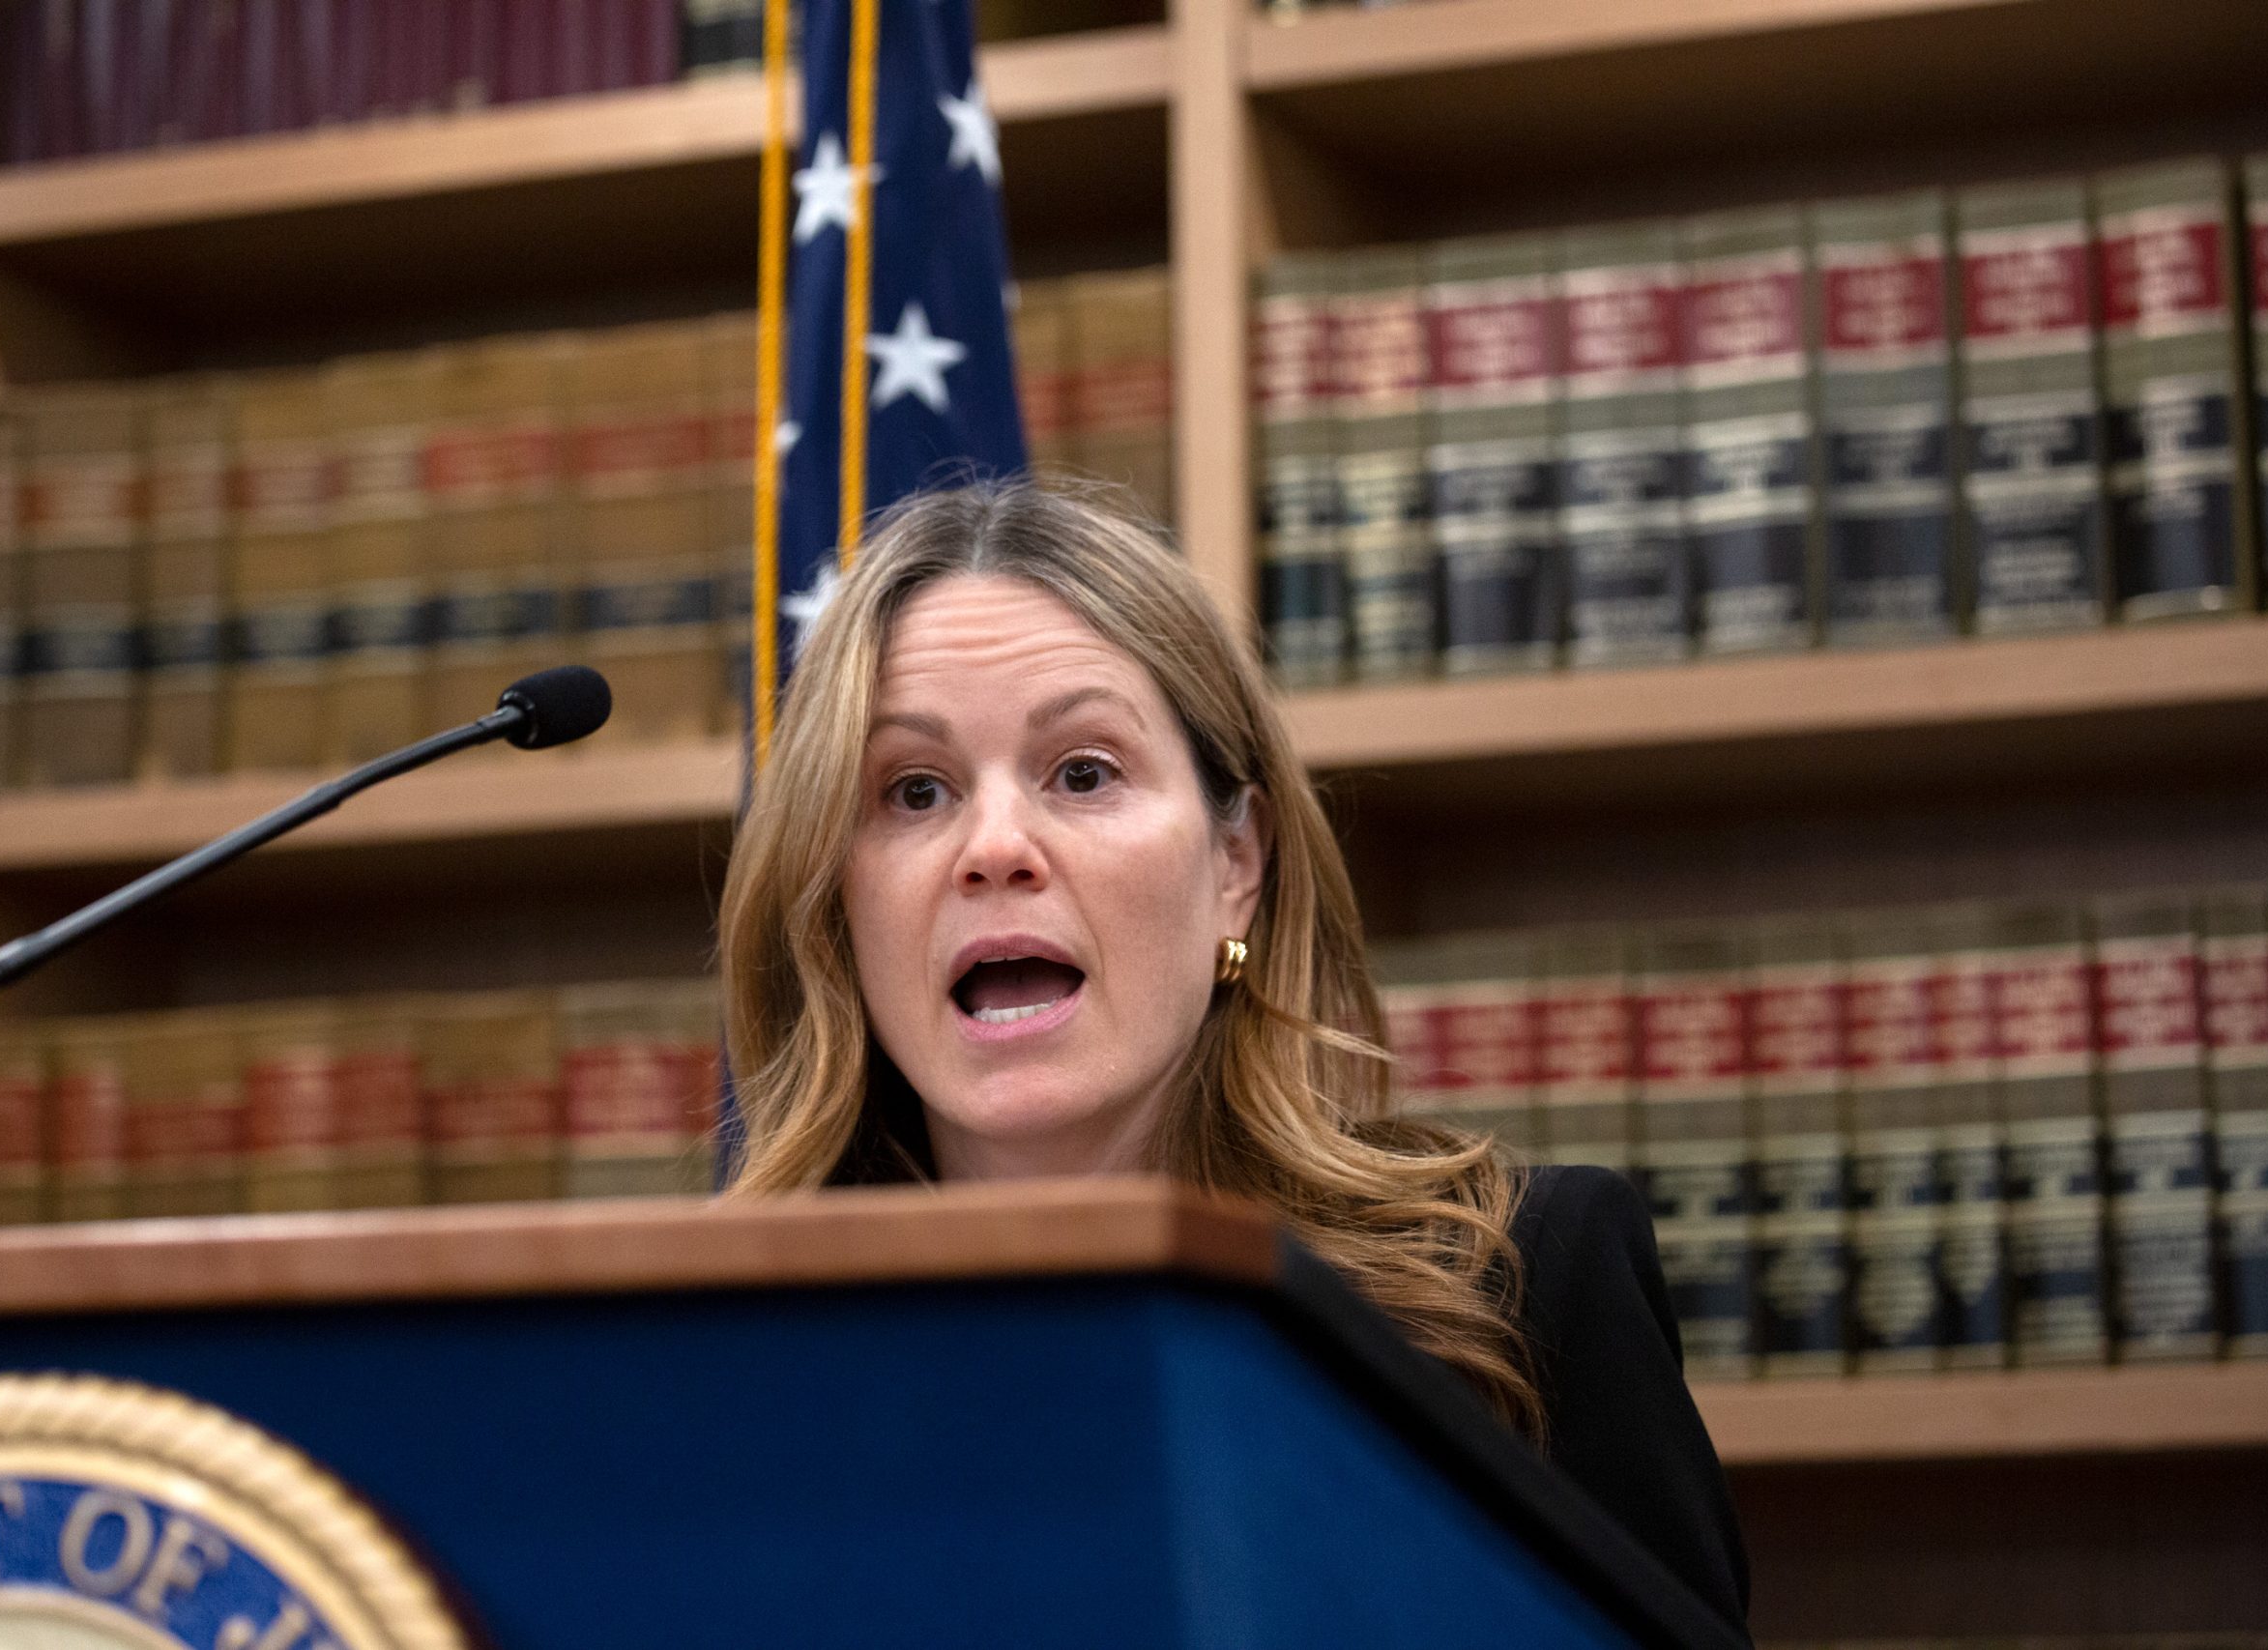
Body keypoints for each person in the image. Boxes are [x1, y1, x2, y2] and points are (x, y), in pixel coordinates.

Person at [717, 480, 1750, 1632]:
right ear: (834, 904)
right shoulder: (729, 1379)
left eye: (1083, 773)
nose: (994, 848)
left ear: (1236, 863)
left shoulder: (1517, 1286)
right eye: (914, 792)